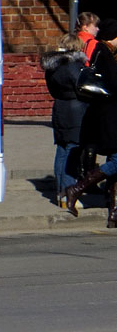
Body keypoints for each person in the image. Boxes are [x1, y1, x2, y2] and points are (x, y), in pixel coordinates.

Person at [66, 18, 117, 227]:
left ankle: (113, 213)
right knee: (116, 161)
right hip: (109, 115)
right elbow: (114, 84)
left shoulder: (106, 53)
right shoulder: (103, 54)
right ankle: (77, 188)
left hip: (109, 114)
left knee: (115, 158)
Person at [42, 34, 89, 208]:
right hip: (75, 110)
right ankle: (70, 193)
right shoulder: (73, 66)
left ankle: (61, 192)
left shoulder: (52, 66)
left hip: (59, 107)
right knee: (73, 151)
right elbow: (82, 86)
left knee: (61, 150)